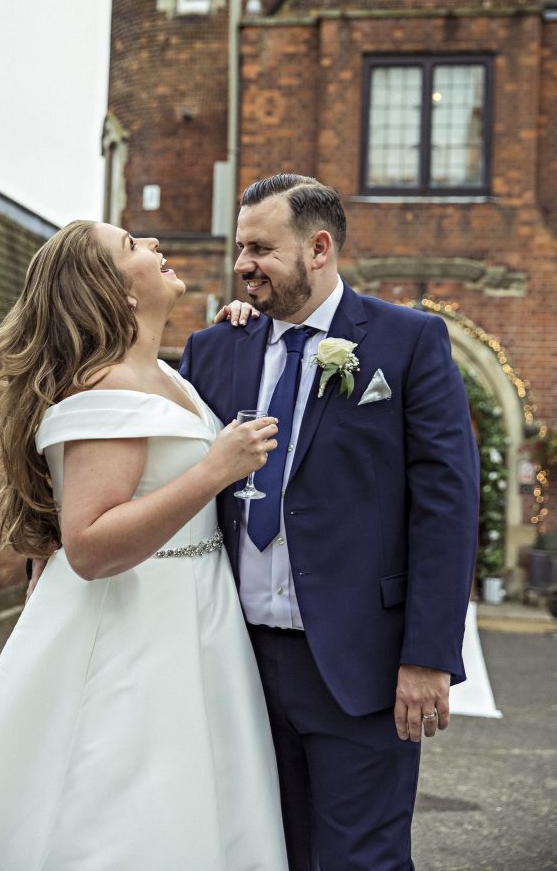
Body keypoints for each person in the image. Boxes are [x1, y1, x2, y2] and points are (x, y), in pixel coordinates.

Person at [0, 220, 289, 871]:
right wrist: (212, 470)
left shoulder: (165, 376)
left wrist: (242, 330)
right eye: (134, 247)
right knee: (118, 808)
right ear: (114, 289)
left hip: (194, 616)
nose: (157, 248)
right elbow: (86, 546)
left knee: (196, 805)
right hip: (133, 625)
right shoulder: (104, 388)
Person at [180, 174, 480, 871]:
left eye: (260, 248)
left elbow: (446, 504)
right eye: (238, 248)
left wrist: (427, 655)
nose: (242, 264)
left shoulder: (408, 342)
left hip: (359, 664)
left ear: (318, 248)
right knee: (256, 850)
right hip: (235, 659)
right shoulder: (213, 348)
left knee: (360, 860)